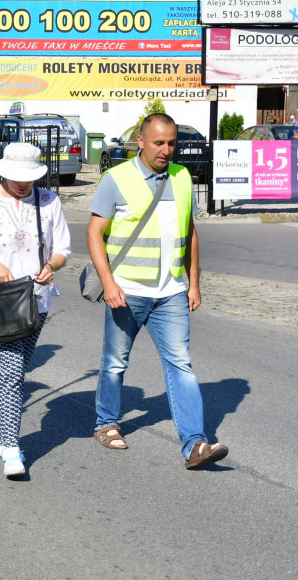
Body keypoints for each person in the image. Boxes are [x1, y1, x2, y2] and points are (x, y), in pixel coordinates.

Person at [87, 113, 228, 470]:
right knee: (115, 362)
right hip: (127, 290)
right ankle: (107, 423)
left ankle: (195, 443)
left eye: (172, 144)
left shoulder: (181, 177)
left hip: (171, 292)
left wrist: (193, 282)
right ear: (140, 140)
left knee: (181, 364)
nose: (167, 150)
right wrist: (108, 283)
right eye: (159, 143)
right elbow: (93, 233)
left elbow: (190, 231)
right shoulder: (115, 179)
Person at [0, 142, 71, 479]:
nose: (22, 183)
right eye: (16, 177)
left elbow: (62, 247)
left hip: (37, 297)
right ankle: (10, 446)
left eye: (28, 177)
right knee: (12, 372)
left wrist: (52, 265)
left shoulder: (49, 201)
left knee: (14, 372)